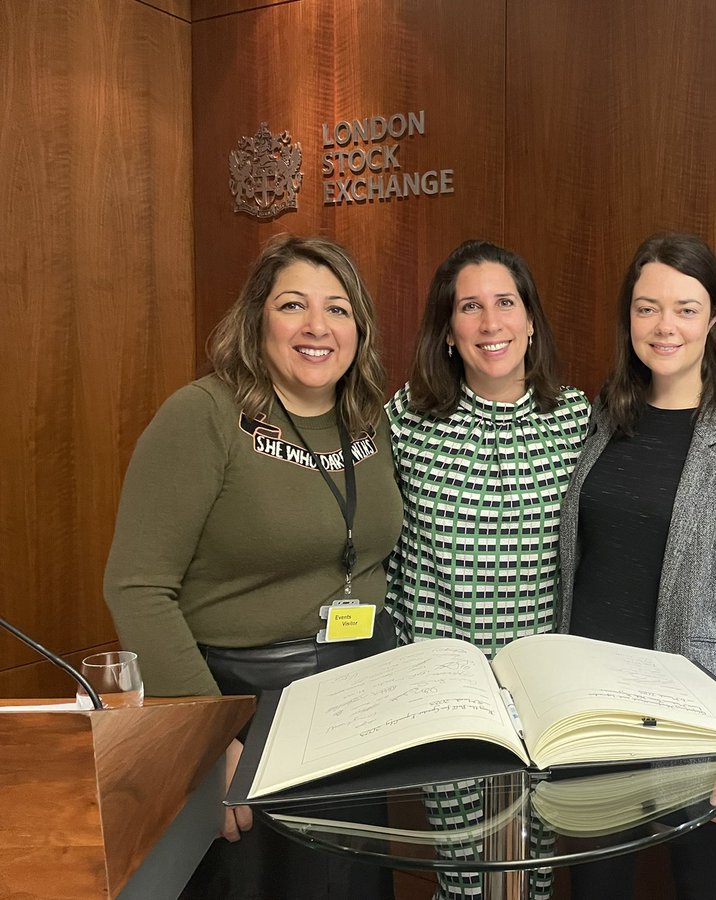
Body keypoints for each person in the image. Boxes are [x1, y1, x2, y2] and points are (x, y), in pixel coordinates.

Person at [104, 234, 402, 899]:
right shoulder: (203, 417)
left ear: (359, 329)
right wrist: (209, 742)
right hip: (245, 707)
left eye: (338, 309)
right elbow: (137, 587)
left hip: (354, 706)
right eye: (293, 305)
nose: (317, 327)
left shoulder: (369, 420)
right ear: (257, 319)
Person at [557, 232, 716, 900]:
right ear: (628, 317)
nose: (665, 326)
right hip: (592, 709)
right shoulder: (606, 411)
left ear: (715, 316)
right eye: (646, 308)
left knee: (700, 879)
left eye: (686, 308)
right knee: (595, 885)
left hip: (698, 709)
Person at [385, 239, 590, 899]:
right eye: (469, 308)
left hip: (547, 694)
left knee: (531, 875)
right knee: (467, 878)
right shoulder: (408, 419)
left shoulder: (580, 419)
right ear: (447, 332)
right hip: (446, 692)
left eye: (505, 303)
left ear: (531, 321)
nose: (490, 322)